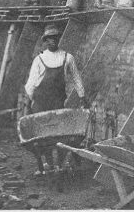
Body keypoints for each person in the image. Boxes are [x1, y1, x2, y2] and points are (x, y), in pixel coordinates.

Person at [24, 24, 88, 175]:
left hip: (58, 102)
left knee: (60, 135)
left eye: (55, 38)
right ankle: (49, 163)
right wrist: (29, 101)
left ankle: (59, 163)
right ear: (45, 41)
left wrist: (82, 96)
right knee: (43, 136)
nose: (52, 41)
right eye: (49, 39)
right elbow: (31, 83)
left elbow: (77, 79)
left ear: (59, 39)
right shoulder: (39, 59)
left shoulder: (67, 57)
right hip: (40, 103)